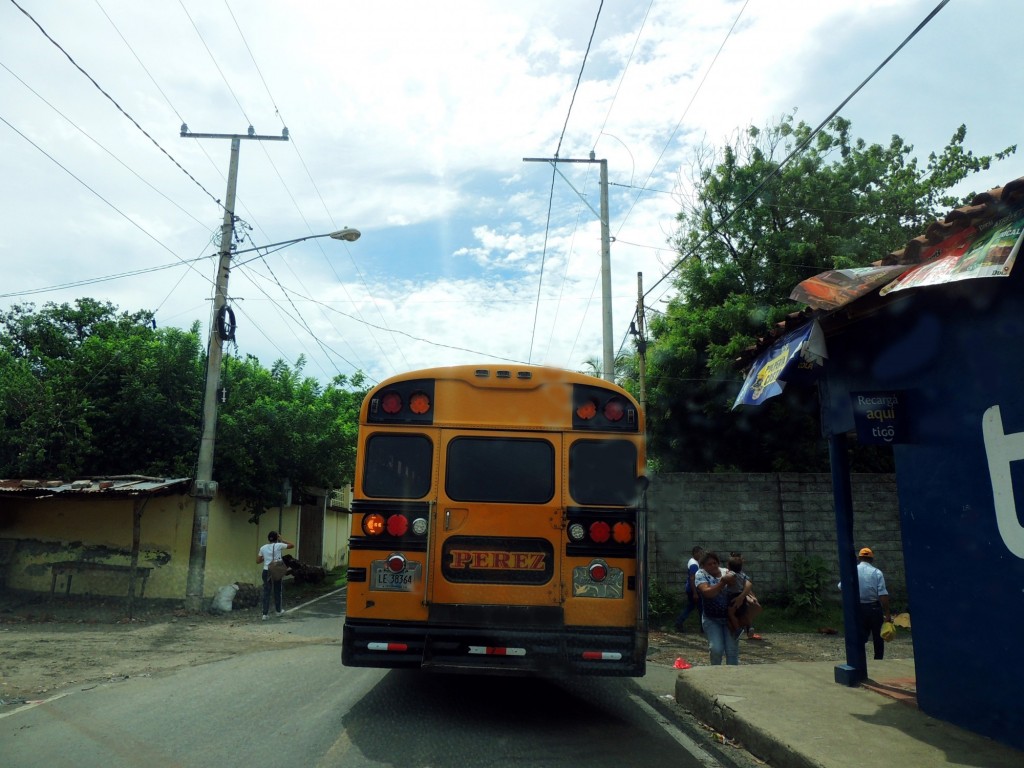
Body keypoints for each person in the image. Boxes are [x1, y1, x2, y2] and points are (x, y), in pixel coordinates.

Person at [839, 546, 892, 660]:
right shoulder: (877, 573)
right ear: (872, 559)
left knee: (860, 636)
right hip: (874, 608)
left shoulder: (852, 571)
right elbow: (882, 594)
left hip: (858, 608)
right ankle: (878, 660)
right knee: (878, 637)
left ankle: (859, 660)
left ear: (859, 558)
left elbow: (842, 587)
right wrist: (887, 613)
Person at [694, 550, 739, 665]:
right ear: (703, 566)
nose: (714, 565)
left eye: (715, 563)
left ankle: (734, 679)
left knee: (731, 651)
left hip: (730, 619)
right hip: (712, 619)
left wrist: (744, 596)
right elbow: (708, 593)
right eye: (710, 564)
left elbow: (745, 582)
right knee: (716, 649)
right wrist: (722, 582)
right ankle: (715, 674)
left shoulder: (727, 572)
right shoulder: (701, 574)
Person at [726, 552, 763, 640]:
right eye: (742, 559)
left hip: (733, 596)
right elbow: (748, 583)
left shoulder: (731, 574)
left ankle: (738, 629)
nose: (744, 560)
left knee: (730, 613)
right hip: (741, 596)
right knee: (744, 612)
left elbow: (747, 587)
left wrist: (752, 596)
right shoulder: (743, 575)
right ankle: (748, 627)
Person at [257, 530, 294, 620]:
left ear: (268, 538)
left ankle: (264, 614)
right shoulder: (279, 545)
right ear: (277, 538)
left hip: (266, 571)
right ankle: (278, 611)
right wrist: (282, 540)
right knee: (277, 590)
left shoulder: (263, 548)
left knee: (267, 592)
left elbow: (258, 561)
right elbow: (292, 545)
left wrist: (266, 558)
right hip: (276, 570)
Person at [674, 546, 704, 632]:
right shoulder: (694, 564)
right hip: (693, 590)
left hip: (691, 589)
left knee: (691, 607)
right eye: (700, 553)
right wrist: (695, 592)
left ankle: (679, 622)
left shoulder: (693, 562)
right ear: (695, 553)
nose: (701, 555)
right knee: (701, 609)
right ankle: (703, 628)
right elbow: (692, 578)